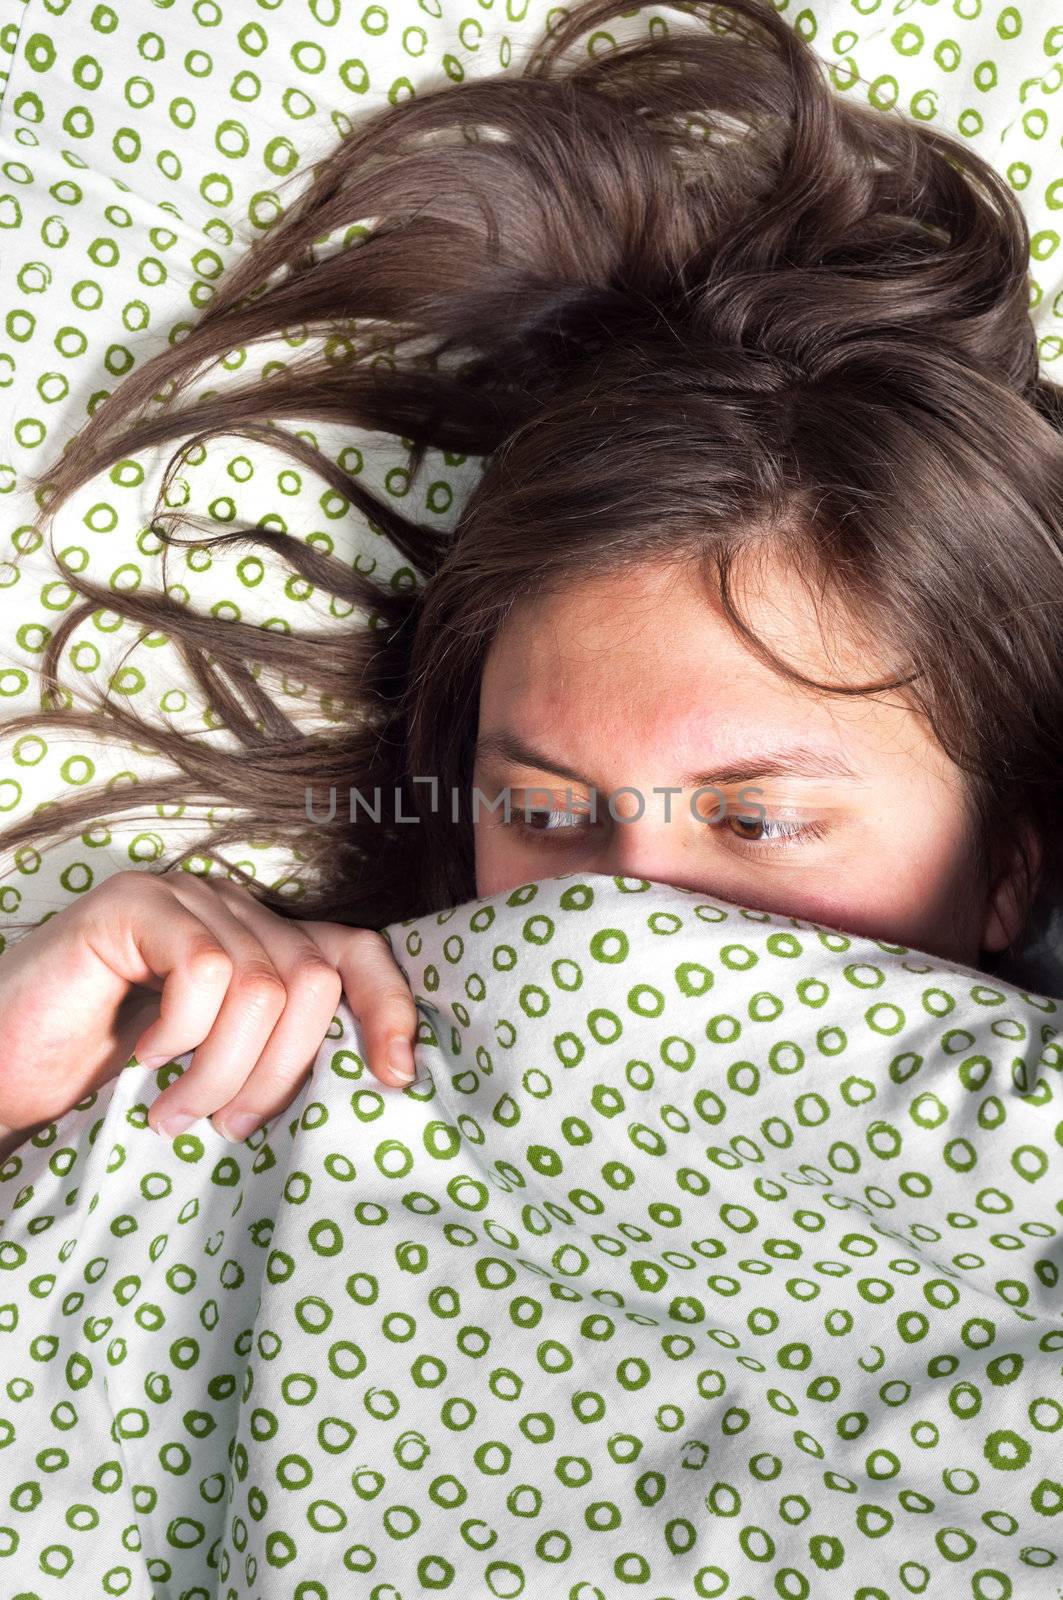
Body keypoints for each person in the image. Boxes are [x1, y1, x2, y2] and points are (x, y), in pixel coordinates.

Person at [1, 0, 1062, 1162]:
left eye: (758, 821)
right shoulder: (245, 1097)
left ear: (1006, 865)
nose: (620, 924)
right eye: (544, 814)